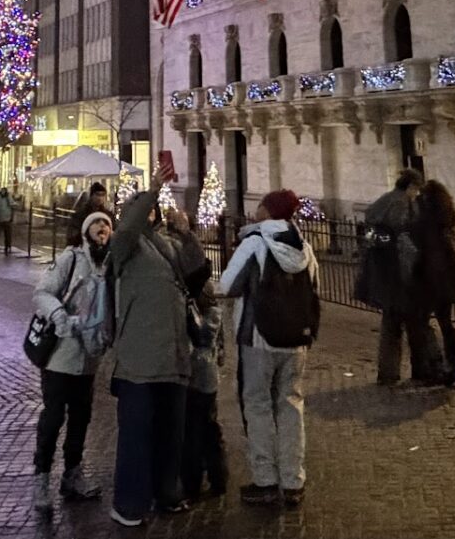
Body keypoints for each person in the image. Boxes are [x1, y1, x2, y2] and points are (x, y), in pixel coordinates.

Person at [218, 190, 314, 509]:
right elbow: (315, 292)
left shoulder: (255, 243)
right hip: (297, 341)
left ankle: (266, 480)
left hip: (259, 338)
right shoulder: (305, 249)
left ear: (267, 210)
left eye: (260, 205)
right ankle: (293, 481)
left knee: (258, 406)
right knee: (291, 405)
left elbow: (227, 286)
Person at [104, 191, 194, 526]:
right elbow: (126, 230)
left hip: (174, 355)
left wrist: (186, 234)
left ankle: (167, 491)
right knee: (136, 434)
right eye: (145, 208)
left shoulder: (163, 244)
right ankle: (130, 502)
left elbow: (196, 274)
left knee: (171, 432)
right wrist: (153, 186)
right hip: (139, 359)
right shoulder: (124, 247)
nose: (151, 212)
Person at [30, 208, 114, 511]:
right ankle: (41, 477)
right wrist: (60, 317)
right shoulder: (72, 259)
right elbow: (42, 293)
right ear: (86, 231)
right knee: (53, 416)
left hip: (89, 358)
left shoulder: (111, 266)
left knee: (81, 416)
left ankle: (72, 473)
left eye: (107, 223)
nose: (102, 228)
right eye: (97, 223)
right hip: (60, 355)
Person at [165, 210, 225, 504]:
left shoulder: (189, 296)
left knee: (191, 428)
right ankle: (217, 476)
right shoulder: (209, 295)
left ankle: (192, 480)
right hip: (208, 371)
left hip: (192, 371)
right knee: (210, 426)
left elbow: (200, 334)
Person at [357, 170, 434, 386]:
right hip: (401, 274)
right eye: (416, 189)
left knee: (390, 325)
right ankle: (422, 369)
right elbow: (405, 235)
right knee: (415, 323)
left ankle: (388, 372)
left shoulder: (384, 200)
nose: (416, 194)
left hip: (384, 273)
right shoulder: (402, 204)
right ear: (410, 186)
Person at [411, 180, 455, 389]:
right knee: (446, 325)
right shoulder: (448, 219)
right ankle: (454, 369)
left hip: (430, 279)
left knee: (421, 322)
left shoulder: (425, 223)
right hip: (449, 279)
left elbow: (419, 251)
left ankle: (434, 367)